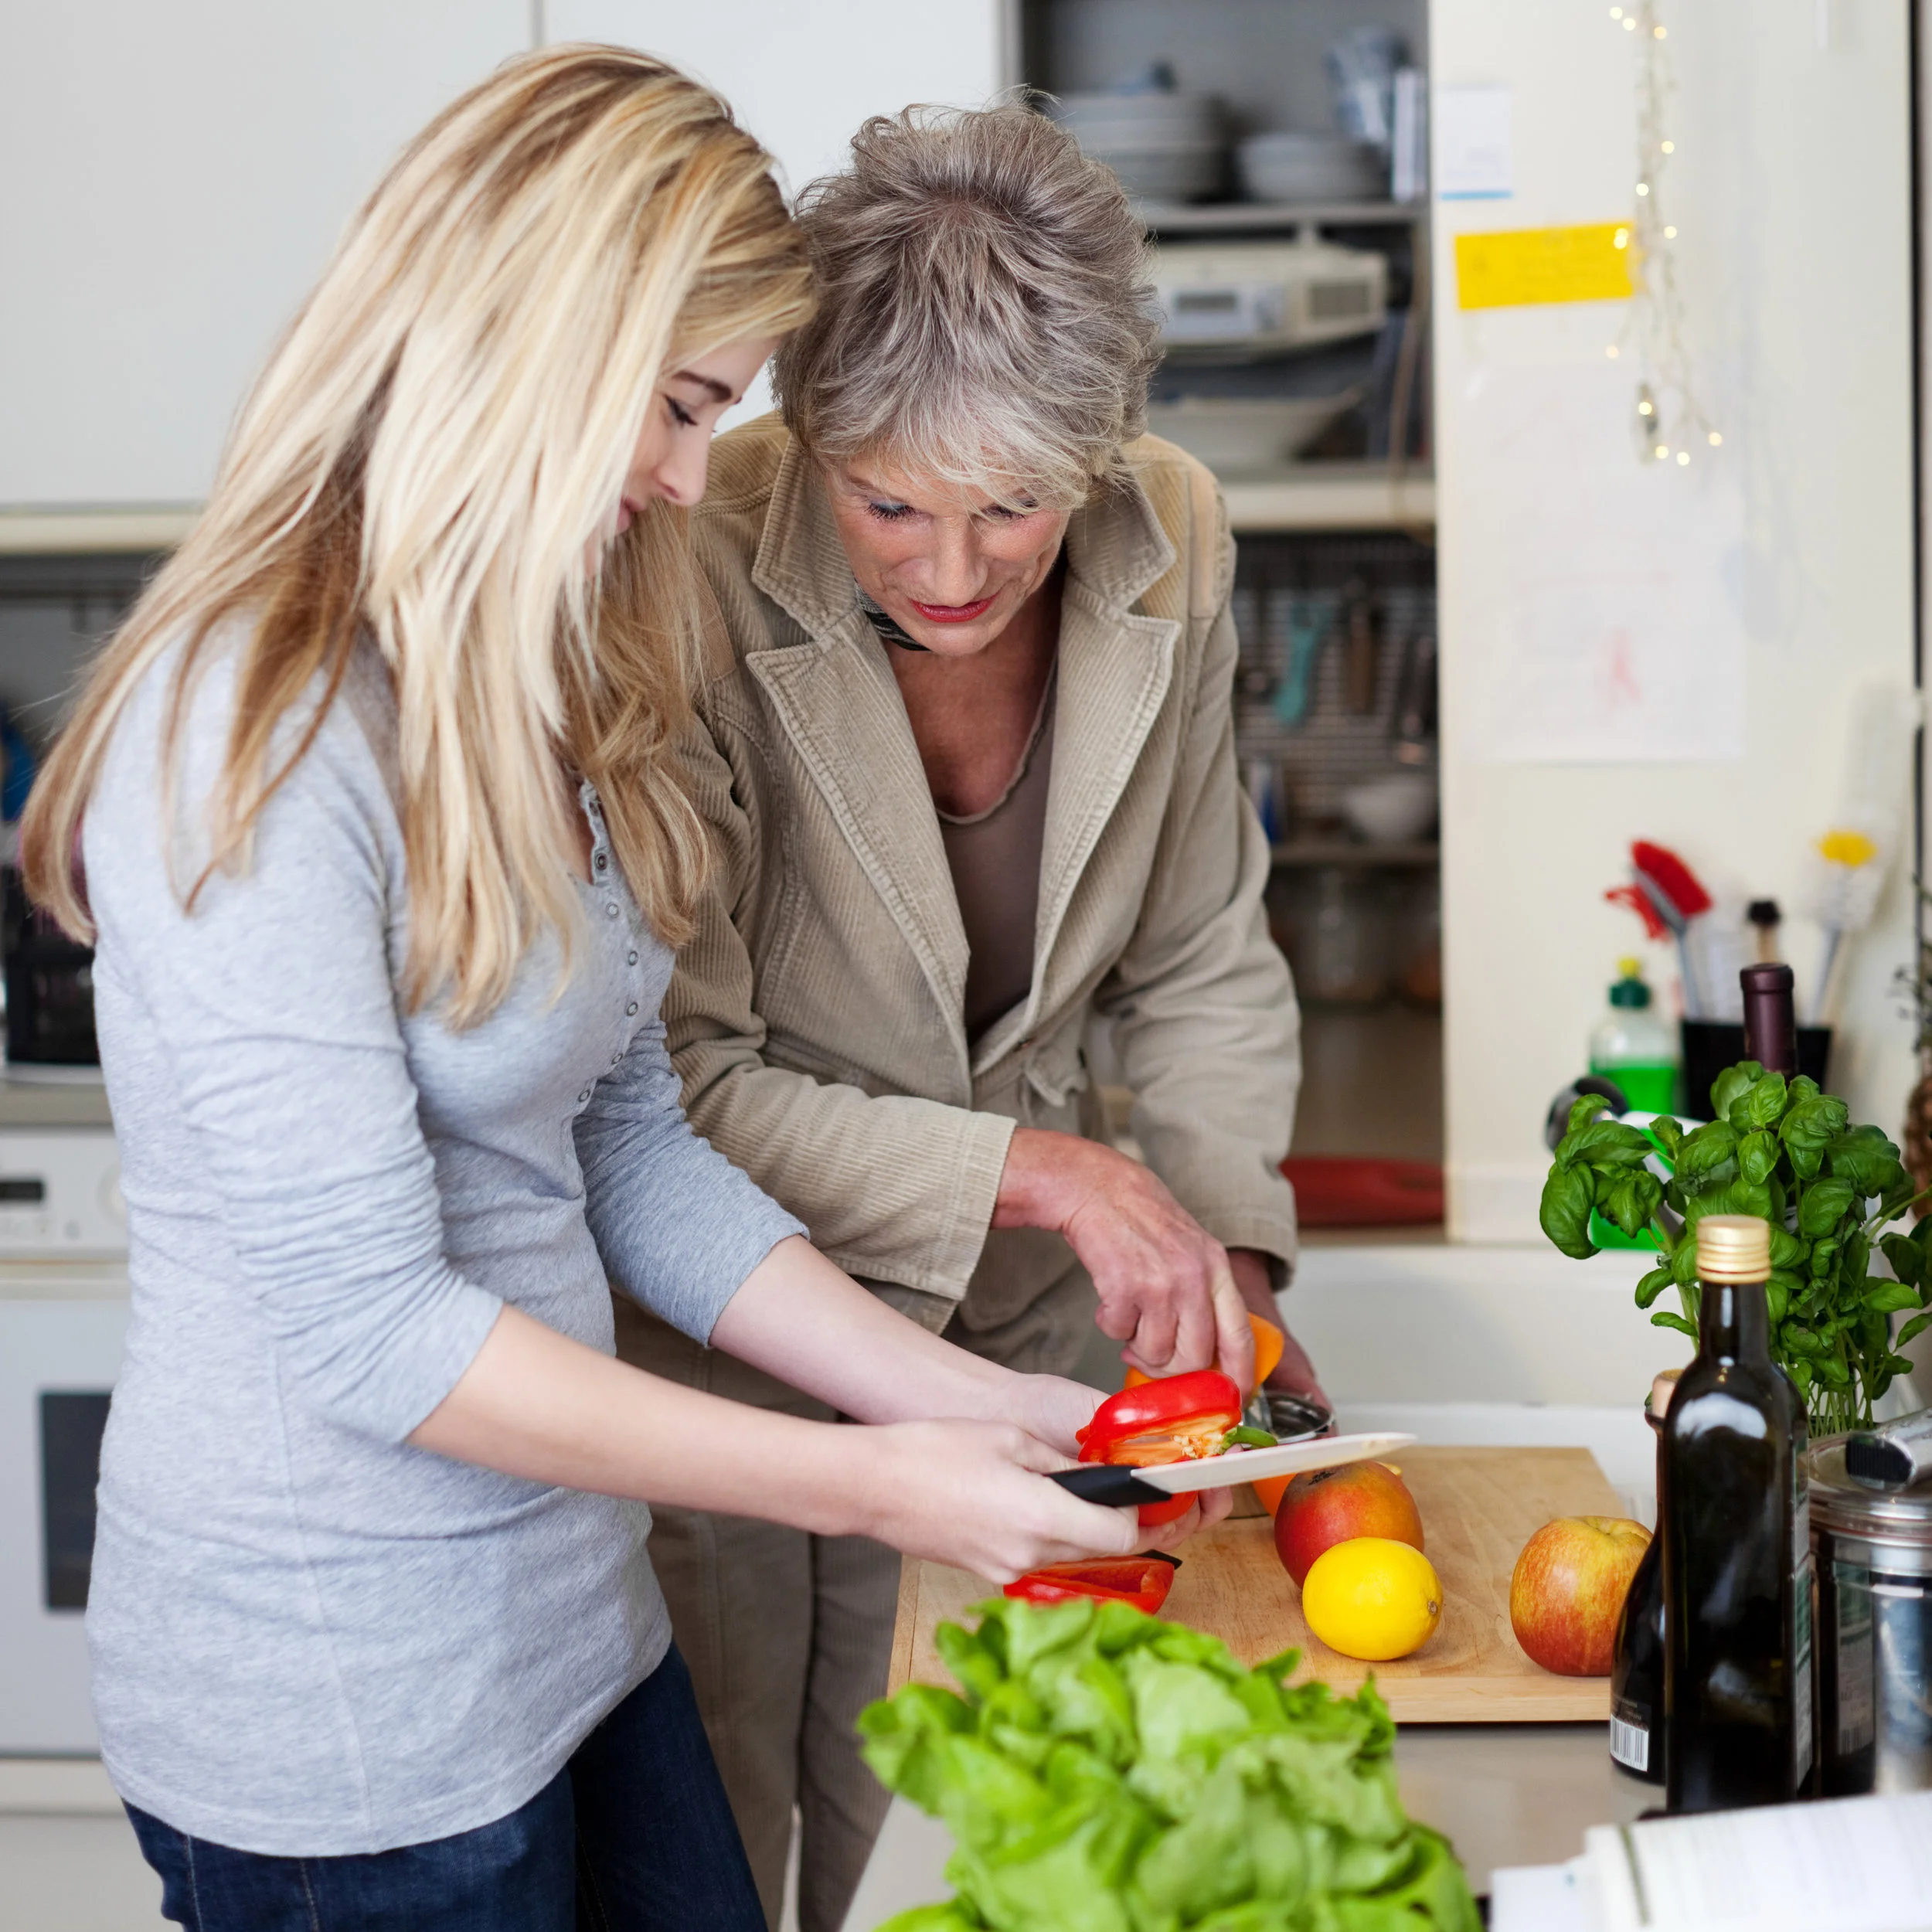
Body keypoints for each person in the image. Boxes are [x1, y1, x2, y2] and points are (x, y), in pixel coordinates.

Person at [20, 55, 1202, 1932]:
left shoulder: (525, 663)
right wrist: (875, 1483)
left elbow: (634, 1145)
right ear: (519, 336)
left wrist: (964, 1398)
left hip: (575, 1632)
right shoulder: (245, 726)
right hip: (354, 1720)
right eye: (672, 408)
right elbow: (374, 1333)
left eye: (712, 411)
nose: (683, 477)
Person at [617, 102, 1318, 1932]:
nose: (948, 567)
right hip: (728, 1341)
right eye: (888, 502)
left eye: (1014, 503)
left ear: (1097, 451)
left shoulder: (1172, 529)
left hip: (1026, 1361)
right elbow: (672, 1082)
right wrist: (1056, 1170)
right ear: (812, 433)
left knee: (958, 1864)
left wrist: (1223, 1251)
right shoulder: (682, 552)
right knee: (712, 1860)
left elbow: (1195, 950)